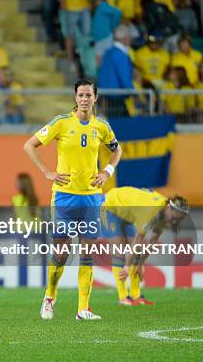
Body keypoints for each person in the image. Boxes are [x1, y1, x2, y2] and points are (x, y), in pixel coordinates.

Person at [24, 77, 122, 320]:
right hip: (65, 197)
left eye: (89, 95)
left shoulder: (102, 126)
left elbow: (116, 150)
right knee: (62, 253)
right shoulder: (61, 122)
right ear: (75, 97)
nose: (84, 99)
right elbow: (29, 145)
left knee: (87, 253)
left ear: (95, 98)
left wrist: (106, 172)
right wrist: (47, 172)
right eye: (81, 95)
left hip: (91, 198)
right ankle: (49, 297)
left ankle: (83, 309)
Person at [102, 186, 189, 305]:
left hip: (127, 212)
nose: (174, 222)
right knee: (119, 249)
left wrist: (141, 264)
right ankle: (123, 298)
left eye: (177, 220)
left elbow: (153, 240)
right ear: (169, 207)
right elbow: (138, 239)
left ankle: (136, 296)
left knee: (137, 253)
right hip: (110, 206)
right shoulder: (150, 212)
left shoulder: (166, 213)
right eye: (174, 218)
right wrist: (127, 266)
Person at [53, 0, 92, 71]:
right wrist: (62, 0)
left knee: (87, 33)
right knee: (69, 36)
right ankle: (71, 62)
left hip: (84, 8)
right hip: (70, 8)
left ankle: (83, 58)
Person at [98, 25, 134, 118]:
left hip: (106, 94)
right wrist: (132, 91)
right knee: (120, 125)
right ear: (124, 38)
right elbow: (124, 75)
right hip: (118, 94)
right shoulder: (121, 54)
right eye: (129, 36)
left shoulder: (107, 52)